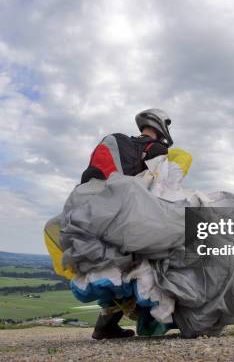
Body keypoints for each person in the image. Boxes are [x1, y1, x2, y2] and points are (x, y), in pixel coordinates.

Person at [81, 108, 174, 340]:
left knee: (115, 270)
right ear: (160, 126)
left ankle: (105, 326)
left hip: (100, 215)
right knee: (150, 267)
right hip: (132, 218)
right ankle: (155, 322)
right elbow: (161, 188)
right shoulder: (157, 150)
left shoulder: (119, 142)